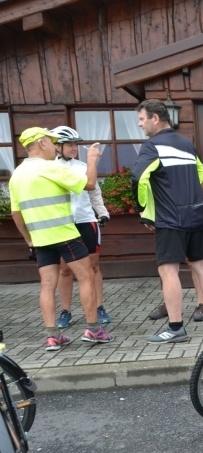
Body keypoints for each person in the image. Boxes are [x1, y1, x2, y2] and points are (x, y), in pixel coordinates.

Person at [8, 127, 114, 350]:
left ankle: (52, 336)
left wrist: (29, 240)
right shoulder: (51, 168)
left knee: (47, 286)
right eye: (51, 141)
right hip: (66, 233)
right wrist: (92, 159)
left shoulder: (17, 174)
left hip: (40, 238)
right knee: (86, 276)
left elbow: (16, 214)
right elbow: (90, 184)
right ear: (42, 143)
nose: (55, 146)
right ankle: (94, 330)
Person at [131, 99, 203, 343]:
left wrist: (144, 211)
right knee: (202, 265)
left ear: (155, 119)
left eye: (142, 119)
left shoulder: (152, 146)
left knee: (168, 271)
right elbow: (202, 177)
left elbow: (138, 179)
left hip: (170, 219)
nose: (140, 124)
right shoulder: (186, 144)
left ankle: (175, 328)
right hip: (195, 214)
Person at [49, 126, 113, 329]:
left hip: (86, 221)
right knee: (65, 269)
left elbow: (94, 192)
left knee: (93, 268)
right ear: (57, 146)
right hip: (63, 223)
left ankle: (99, 307)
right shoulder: (49, 169)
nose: (74, 148)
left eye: (76, 144)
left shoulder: (83, 166)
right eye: (69, 144)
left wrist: (102, 212)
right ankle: (65, 310)